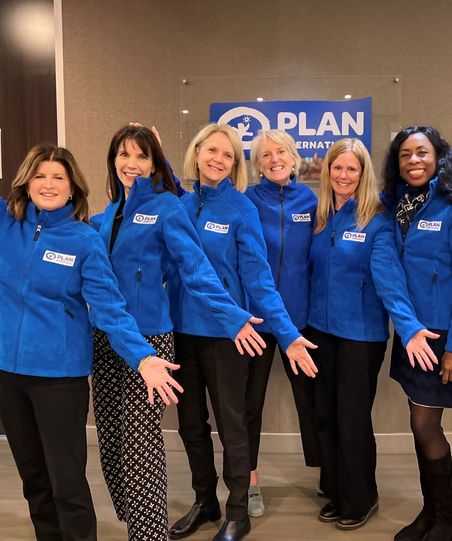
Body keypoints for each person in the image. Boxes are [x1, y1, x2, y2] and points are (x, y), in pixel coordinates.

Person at [92, 125, 264, 541]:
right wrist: (155, 149)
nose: (131, 164)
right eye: (124, 155)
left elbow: (199, 270)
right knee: (143, 438)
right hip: (115, 338)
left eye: (141, 156)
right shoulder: (110, 212)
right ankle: (204, 503)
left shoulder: (174, 208)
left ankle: (233, 512)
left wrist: (235, 315)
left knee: (149, 445)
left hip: (159, 338)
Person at [0, 144, 180, 541]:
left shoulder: (84, 240)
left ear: (72, 187)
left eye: (58, 177)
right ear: (25, 182)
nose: (48, 184)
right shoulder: (6, 224)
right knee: (33, 480)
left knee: (67, 484)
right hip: (8, 376)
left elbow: (111, 309)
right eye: (40, 175)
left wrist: (144, 358)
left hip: (59, 378)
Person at [167, 123, 318, 541]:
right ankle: (204, 500)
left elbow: (259, 279)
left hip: (228, 334)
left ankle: (238, 510)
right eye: (211, 151)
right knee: (191, 424)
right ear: (196, 153)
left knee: (232, 424)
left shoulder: (241, 209)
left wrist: (286, 334)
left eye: (227, 155)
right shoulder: (178, 204)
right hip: (181, 331)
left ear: (235, 165)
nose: (217, 159)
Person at [308, 138, 438, 531]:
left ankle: (362, 496)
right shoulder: (321, 216)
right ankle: (335, 489)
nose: (343, 175)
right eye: (337, 167)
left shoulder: (377, 219)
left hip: (360, 335)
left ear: (363, 174)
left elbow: (389, 278)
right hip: (319, 331)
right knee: (326, 414)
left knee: (351, 418)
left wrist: (409, 325)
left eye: (352, 169)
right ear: (327, 171)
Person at [381, 126, 452, 541]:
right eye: (405, 155)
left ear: (440, 157)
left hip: (442, 336)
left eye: (422, 153)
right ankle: (430, 511)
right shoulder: (398, 204)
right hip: (410, 334)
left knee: (426, 425)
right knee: (416, 421)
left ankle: (448, 520)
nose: (414, 161)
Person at [243, 129, 320, 517]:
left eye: (280, 152)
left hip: (298, 322)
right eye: (264, 155)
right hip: (256, 322)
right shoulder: (246, 201)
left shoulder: (311, 199)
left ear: (293, 157)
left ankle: (326, 473)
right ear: (257, 163)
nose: (273, 159)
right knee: (250, 405)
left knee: (311, 400)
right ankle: (250, 482)